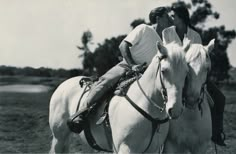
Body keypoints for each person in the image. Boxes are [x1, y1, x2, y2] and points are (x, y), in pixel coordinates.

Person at [67, 7, 173, 134]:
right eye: (167, 17)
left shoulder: (164, 42)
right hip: (127, 66)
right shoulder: (144, 28)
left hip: (147, 75)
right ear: (158, 18)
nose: (170, 19)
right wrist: (132, 65)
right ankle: (82, 113)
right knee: (105, 83)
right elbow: (123, 46)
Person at [164, 4, 226, 146]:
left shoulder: (195, 35)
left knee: (220, 99)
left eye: (174, 16)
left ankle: (216, 133)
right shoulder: (167, 33)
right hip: (174, 75)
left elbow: (199, 59)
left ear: (182, 17)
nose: (171, 18)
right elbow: (168, 55)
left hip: (192, 74)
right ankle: (159, 135)